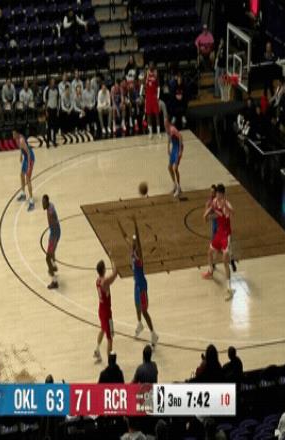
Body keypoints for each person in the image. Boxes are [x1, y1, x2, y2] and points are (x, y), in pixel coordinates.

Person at [118, 216, 159, 346]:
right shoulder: (132, 249)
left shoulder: (139, 255)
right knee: (136, 305)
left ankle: (153, 334)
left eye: (135, 242)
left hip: (142, 285)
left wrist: (135, 224)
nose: (133, 243)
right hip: (136, 284)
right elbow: (124, 236)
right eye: (133, 241)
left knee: (144, 311)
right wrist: (118, 224)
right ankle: (140, 324)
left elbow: (138, 240)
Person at [202, 184, 234, 300]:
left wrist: (226, 207)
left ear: (223, 194)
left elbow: (233, 213)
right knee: (209, 252)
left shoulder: (227, 203)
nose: (217, 195)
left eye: (219, 194)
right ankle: (211, 271)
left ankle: (229, 288)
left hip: (226, 235)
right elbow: (212, 210)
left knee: (225, 261)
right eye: (217, 194)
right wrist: (206, 214)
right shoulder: (215, 201)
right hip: (219, 233)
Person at [93, 258, 118, 362]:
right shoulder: (105, 282)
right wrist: (113, 259)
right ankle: (110, 364)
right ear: (103, 269)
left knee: (102, 329)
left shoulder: (98, 281)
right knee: (110, 338)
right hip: (107, 313)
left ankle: (97, 350)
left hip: (101, 309)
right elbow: (115, 273)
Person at [14, 129, 35, 211]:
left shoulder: (21, 140)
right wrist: (20, 155)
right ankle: (23, 194)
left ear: (17, 133)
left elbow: (28, 153)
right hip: (26, 158)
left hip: (30, 158)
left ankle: (31, 201)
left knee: (28, 179)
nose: (12, 135)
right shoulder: (17, 139)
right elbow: (21, 148)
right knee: (21, 175)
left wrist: (29, 166)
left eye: (14, 134)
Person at [43, 194, 61, 289]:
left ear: (47, 202)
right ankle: (54, 265)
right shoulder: (50, 206)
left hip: (54, 234)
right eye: (42, 202)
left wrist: (53, 240)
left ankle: (54, 282)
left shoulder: (50, 211)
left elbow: (53, 214)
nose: (42, 204)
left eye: (44, 203)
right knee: (51, 253)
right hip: (54, 233)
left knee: (47, 258)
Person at [165, 119, 183, 197]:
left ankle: (179, 188)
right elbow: (169, 139)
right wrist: (168, 148)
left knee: (175, 168)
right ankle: (174, 185)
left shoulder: (173, 129)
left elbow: (180, 136)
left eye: (166, 123)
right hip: (174, 148)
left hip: (178, 148)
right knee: (169, 167)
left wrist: (180, 150)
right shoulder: (167, 130)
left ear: (168, 123)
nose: (165, 124)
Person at [144, 62, 161, 138]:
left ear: (153, 66)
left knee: (157, 115)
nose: (151, 66)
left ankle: (158, 132)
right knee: (149, 115)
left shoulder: (156, 73)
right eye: (150, 65)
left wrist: (158, 97)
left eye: (152, 65)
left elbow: (158, 86)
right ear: (148, 66)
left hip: (154, 97)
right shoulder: (146, 73)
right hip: (148, 97)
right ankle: (150, 132)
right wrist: (141, 94)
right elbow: (143, 84)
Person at [43, 78, 59, 147]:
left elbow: (58, 100)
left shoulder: (57, 90)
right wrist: (46, 111)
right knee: (49, 127)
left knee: (54, 127)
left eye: (54, 82)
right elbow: (46, 101)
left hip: (55, 110)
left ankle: (54, 141)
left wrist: (58, 110)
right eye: (52, 82)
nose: (53, 83)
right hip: (49, 110)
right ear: (50, 83)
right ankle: (47, 142)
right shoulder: (47, 90)